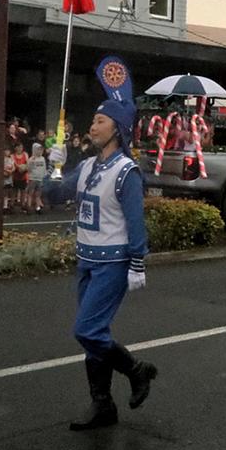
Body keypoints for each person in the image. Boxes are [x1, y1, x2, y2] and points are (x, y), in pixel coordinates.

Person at [52, 97, 157, 430]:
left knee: (87, 330)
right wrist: (54, 167)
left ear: (117, 129)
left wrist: (137, 263)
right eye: (93, 121)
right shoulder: (86, 167)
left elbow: (135, 221)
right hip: (86, 260)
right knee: (93, 334)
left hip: (113, 262)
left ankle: (136, 370)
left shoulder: (127, 172)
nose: (92, 126)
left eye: (99, 121)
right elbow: (53, 195)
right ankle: (103, 405)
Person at [26, 142, 47, 214]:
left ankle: (37, 208)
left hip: (40, 179)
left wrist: (44, 176)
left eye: (41, 150)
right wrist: (32, 162)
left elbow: (44, 168)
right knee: (30, 193)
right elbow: (28, 169)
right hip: (33, 178)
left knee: (38, 194)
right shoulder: (31, 159)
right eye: (38, 150)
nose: (40, 151)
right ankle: (29, 207)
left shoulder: (43, 159)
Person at [10, 142, 29, 213]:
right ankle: (11, 205)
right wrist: (20, 167)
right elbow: (14, 163)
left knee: (23, 191)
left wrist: (24, 168)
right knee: (14, 191)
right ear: (15, 148)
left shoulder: (25, 154)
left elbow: (27, 163)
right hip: (15, 175)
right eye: (19, 147)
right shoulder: (12, 156)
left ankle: (23, 205)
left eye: (21, 147)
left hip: (23, 175)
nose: (20, 149)